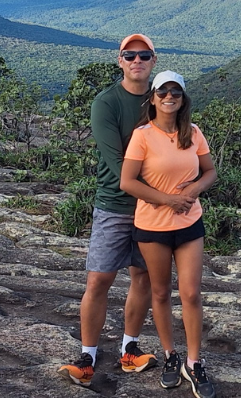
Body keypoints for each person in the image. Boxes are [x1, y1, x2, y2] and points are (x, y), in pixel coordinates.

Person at [59, 33, 178, 387]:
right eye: (130, 55)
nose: (137, 61)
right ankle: (87, 355)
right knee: (99, 279)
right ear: (120, 60)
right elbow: (115, 162)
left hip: (153, 210)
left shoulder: (163, 100)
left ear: (154, 61)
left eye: (144, 55)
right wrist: (164, 194)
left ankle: (130, 350)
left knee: (142, 277)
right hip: (116, 204)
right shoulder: (106, 102)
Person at [120, 71, 218, 398]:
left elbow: (210, 172)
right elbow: (128, 182)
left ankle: (194, 361)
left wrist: (192, 190)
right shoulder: (143, 136)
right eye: (163, 91)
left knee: (190, 293)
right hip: (152, 227)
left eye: (175, 91)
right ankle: (169, 355)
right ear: (153, 98)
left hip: (189, 224)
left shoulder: (193, 133)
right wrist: (168, 199)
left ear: (183, 98)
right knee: (160, 293)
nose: (169, 96)